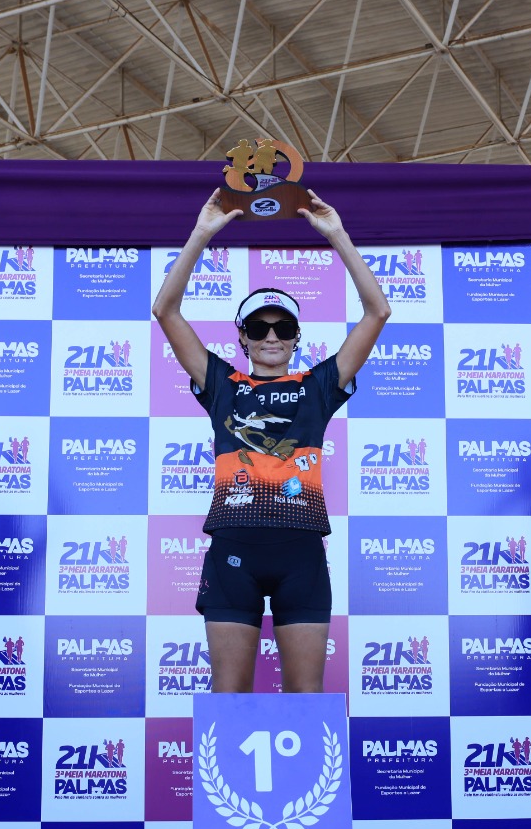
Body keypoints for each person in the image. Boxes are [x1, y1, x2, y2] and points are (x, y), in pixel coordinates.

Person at [152, 190, 390, 692]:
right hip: (233, 547)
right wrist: (203, 233)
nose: (271, 335)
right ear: (242, 337)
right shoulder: (222, 384)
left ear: (297, 336)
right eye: (258, 327)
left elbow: (377, 313)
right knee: (229, 699)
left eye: (283, 326)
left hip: (300, 553)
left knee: (306, 701)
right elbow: (166, 310)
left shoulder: (318, 386)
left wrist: (337, 235)